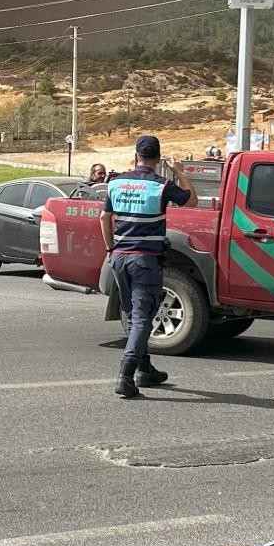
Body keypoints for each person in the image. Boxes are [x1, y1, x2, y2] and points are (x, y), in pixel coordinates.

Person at [99, 135, 195, 399]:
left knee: (133, 315)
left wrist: (110, 249)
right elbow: (192, 201)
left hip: (119, 257)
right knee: (142, 318)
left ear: (136, 156)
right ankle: (126, 374)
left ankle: (144, 369)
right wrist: (179, 172)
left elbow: (105, 217)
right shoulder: (161, 185)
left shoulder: (116, 183)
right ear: (158, 158)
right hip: (145, 260)